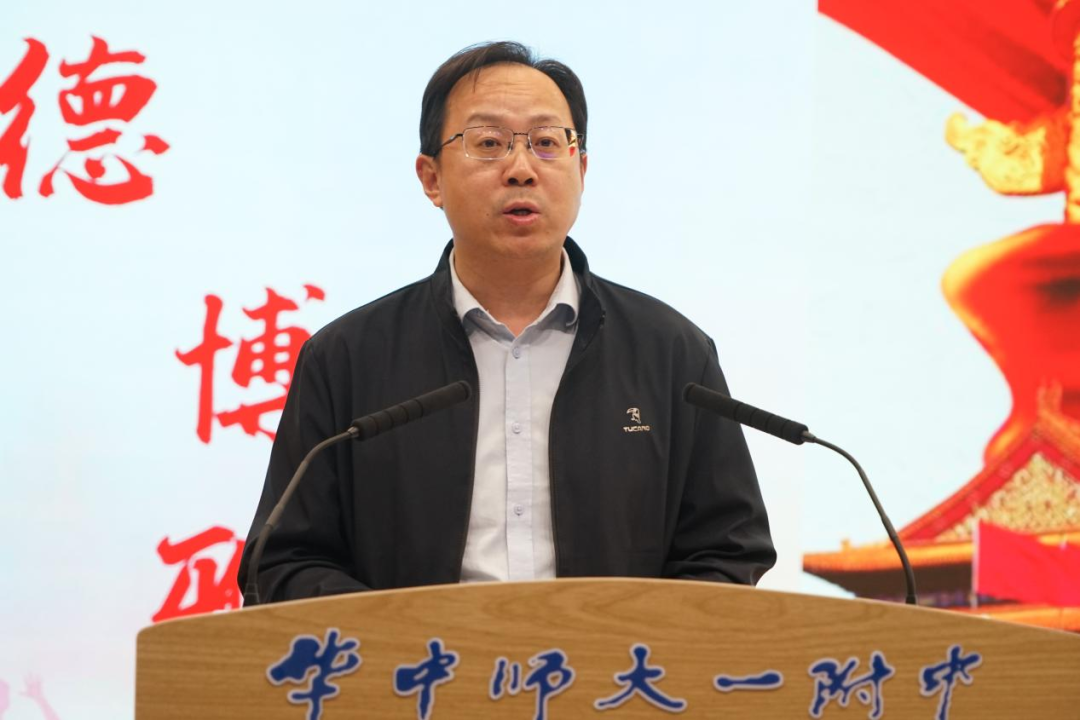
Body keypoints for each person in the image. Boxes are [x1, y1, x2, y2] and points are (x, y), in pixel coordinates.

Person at [238, 41, 775, 602]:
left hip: (612, 658)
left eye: (547, 143)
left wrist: (629, 635)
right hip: (416, 659)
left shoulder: (672, 353)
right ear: (431, 178)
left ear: (581, 169)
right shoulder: (348, 357)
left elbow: (728, 549)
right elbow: (285, 561)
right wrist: (398, 637)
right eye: (489, 143)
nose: (521, 170)